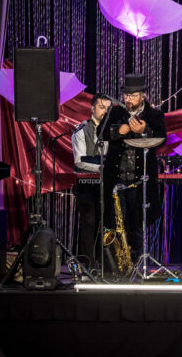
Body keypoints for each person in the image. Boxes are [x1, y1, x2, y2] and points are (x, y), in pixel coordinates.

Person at [98, 73, 166, 262]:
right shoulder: (116, 113)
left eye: (133, 96)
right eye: (126, 96)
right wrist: (118, 131)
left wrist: (145, 131)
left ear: (142, 96)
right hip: (116, 180)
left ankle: (135, 265)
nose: (128, 100)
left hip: (140, 182)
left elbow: (162, 138)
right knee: (114, 224)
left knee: (137, 226)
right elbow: (100, 133)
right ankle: (114, 267)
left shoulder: (153, 115)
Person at [71, 93, 111, 268]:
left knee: (107, 223)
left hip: (107, 185)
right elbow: (79, 161)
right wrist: (102, 169)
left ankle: (106, 265)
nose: (105, 111)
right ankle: (86, 264)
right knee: (89, 223)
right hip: (87, 185)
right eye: (102, 107)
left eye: (108, 108)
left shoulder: (113, 130)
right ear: (92, 108)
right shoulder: (80, 130)